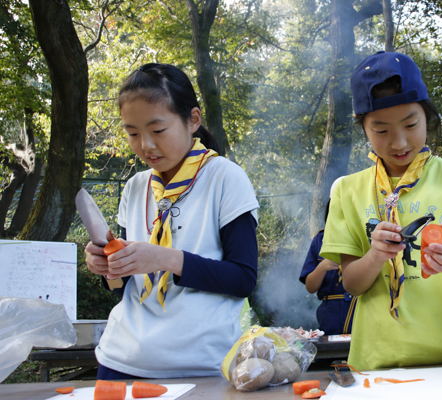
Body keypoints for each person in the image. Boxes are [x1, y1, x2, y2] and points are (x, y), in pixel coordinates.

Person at [320, 51, 442, 370]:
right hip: (378, 363)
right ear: (363, 129)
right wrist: (375, 256)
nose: (399, 142)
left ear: (427, 117)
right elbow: (352, 284)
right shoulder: (347, 190)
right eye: (381, 131)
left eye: (411, 124)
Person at [84, 63, 259, 379]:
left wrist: (165, 258)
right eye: (133, 133)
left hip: (203, 365)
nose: (145, 145)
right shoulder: (136, 187)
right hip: (121, 361)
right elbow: (122, 289)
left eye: (157, 130)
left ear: (192, 120)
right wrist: (107, 266)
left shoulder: (225, 178)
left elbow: (243, 279)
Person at [299, 177, 357, 335]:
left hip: (360, 313)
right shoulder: (320, 240)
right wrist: (322, 267)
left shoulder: (366, 239)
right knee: (330, 356)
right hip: (330, 317)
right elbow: (310, 287)